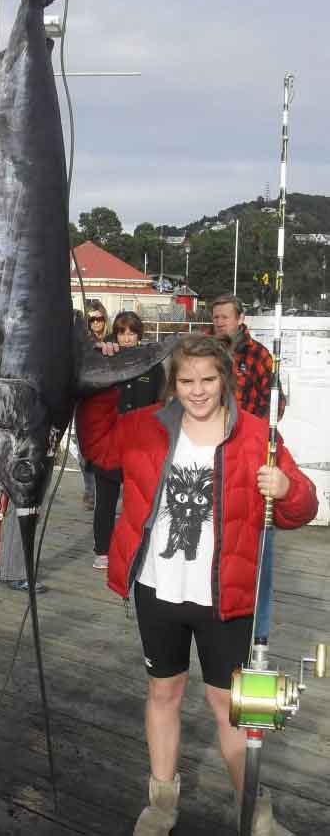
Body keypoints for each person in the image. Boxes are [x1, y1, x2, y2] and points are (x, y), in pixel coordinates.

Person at [76, 334, 316, 836]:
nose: (199, 390)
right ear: (173, 384)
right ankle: (162, 801)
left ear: (225, 380)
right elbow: (99, 449)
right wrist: (99, 386)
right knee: (163, 691)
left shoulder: (257, 436)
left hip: (224, 597)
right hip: (157, 590)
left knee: (229, 704)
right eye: (187, 381)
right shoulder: (146, 427)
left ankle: (256, 813)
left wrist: (289, 490)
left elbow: (303, 509)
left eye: (208, 379)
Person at [212, 292, 285, 645]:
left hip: (251, 457)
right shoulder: (209, 353)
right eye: (216, 317)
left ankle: (259, 633)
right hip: (212, 457)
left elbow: (277, 404)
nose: (220, 322)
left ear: (241, 319)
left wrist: (252, 433)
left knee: (258, 544)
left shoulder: (258, 356)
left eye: (226, 316)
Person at [91, 311, 166, 570]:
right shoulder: (105, 359)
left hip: (141, 442)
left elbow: (160, 402)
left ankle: (137, 547)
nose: (126, 338)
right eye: (122, 332)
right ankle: (102, 550)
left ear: (139, 335)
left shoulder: (152, 365)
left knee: (139, 499)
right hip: (110, 442)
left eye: (132, 333)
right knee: (106, 500)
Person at [78, 300, 110, 509]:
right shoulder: (82, 342)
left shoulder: (112, 341)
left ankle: (106, 491)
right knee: (83, 452)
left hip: (108, 400)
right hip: (85, 399)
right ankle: (90, 490)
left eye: (99, 318)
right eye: (91, 320)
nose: (95, 323)